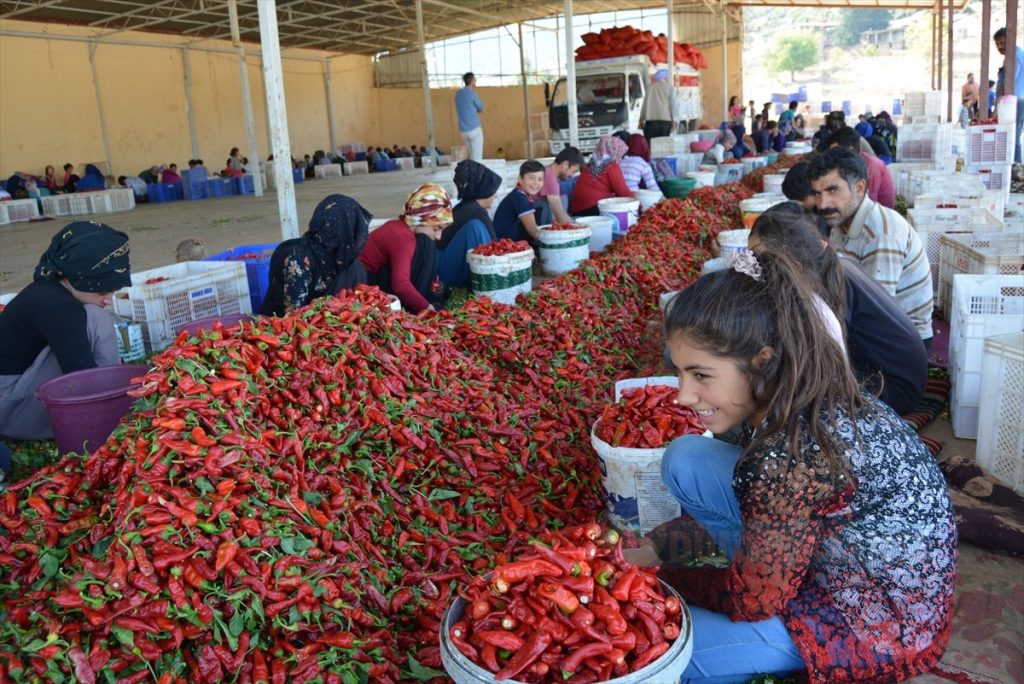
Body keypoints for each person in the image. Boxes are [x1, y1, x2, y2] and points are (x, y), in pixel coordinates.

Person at [630, 248, 955, 683]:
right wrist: (655, 548)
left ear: (762, 360)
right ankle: (769, 571)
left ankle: (771, 604)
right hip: (845, 560)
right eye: (681, 373)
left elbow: (753, 602)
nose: (683, 396)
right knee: (687, 456)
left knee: (658, 651)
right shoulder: (795, 395)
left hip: (875, 622)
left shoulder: (793, 459)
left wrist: (663, 581)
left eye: (701, 375)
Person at [749, 203, 927, 415]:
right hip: (892, 374)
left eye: (759, 259)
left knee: (783, 385)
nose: (754, 266)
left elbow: (818, 362)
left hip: (894, 389)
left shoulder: (825, 288)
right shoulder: (830, 266)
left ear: (793, 262)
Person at [0, 222, 131, 441]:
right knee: (97, 319)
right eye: (102, 291)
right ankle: (112, 408)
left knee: (92, 316)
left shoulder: (50, 287)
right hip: (11, 410)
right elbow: (82, 378)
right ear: (78, 278)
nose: (108, 300)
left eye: (113, 292)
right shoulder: (59, 308)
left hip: (14, 396)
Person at [807, 148, 933, 351]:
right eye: (817, 194)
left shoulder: (881, 234)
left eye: (833, 191)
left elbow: (878, 314)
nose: (823, 204)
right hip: (876, 327)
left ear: (859, 188)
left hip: (903, 344)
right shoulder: (840, 224)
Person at [261, 194, 370, 316]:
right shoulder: (299, 260)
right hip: (283, 327)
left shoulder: (349, 264)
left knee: (354, 269)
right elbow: (293, 318)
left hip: (331, 328)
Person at [360, 183, 451, 313]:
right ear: (419, 220)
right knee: (426, 245)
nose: (439, 236)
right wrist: (426, 308)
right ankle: (416, 308)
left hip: (371, 277)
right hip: (365, 283)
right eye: (436, 229)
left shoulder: (400, 228)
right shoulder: (402, 236)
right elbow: (400, 285)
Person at [437, 160, 501, 288]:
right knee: (476, 228)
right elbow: (496, 249)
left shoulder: (466, 206)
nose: (495, 196)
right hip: (443, 273)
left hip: (441, 266)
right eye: (493, 191)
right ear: (484, 191)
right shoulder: (475, 212)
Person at [828, 126, 895, 209]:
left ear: (851, 150)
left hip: (878, 214)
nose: (833, 156)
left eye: (836, 151)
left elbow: (870, 202)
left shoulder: (871, 166)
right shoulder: (848, 161)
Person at [568, 136, 634, 216]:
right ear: (614, 151)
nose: (621, 157)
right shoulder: (610, 166)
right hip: (594, 209)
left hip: (577, 209)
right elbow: (623, 192)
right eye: (621, 153)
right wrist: (639, 206)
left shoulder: (591, 164)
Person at [493, 161, 545, 245]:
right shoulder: (519, 197)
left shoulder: (520, 195)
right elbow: (532, 230)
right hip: (506, 248)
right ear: (520, 179)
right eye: (531, 178)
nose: (535, 182)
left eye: (540, 179)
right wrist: (552, 243)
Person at [994, 27, 1024, 163]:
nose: (999, 47)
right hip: (1010, 102)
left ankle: (1016, 168)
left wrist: (997, 106)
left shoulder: (1016, 56)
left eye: (1002, 43)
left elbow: (1008, 82)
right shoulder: (1011, 55)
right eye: (997, 44)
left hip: (1015, 103)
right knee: (1009, 136)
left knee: (1013, 136)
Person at [536, 146, 583, 225]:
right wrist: (578, 228)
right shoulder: (550, 178)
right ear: (565, 165)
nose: (572, 176)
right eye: (573, 171)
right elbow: (559, 213)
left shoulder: (547, 171)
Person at [455, 72, 485, 161]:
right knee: (477, 158)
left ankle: (471, 173)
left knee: (472, 157)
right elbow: (481, 108)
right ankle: (476, 174)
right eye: (475, 79)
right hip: (474, 129)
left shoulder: (458, 94)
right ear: (472, 81)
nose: (476, 81)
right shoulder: (472, 94)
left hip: (463, 131)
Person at [640, 68, 675, 141]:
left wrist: (641, 119)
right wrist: (674, 120)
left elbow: (644, 104)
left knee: (651, 145)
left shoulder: (650, 87)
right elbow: (673, 105)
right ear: (665, 77)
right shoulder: (669, 87)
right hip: (665, 121)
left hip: (651, 122)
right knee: (662, 144)